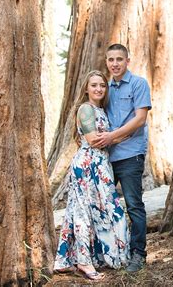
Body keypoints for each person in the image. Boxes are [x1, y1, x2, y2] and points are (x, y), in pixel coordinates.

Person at [54, 70, 129, 281]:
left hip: (100, 165)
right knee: (83, 212)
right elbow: (93, 139)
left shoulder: (100, 110)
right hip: (87, 165)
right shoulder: (86, 109)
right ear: (86, 88)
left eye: (102, 85)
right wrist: (121, 135)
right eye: (94, 85)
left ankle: (65, 260)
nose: (98, 89)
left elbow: (103, 139)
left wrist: (118, 136)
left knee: (87, 210)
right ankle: (83, 262)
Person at [91, 45, 151, 274]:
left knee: (134, 205)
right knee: (104, 204)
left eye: (119, 59)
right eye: (110, 60)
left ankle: (139, 255)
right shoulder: (106, 88)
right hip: (106, 157)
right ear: (106, 62)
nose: (114, 64)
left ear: (127, 60)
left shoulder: (138, 84)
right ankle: (110, 252)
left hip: (130, 154)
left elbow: (140, 120)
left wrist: (112, 137)